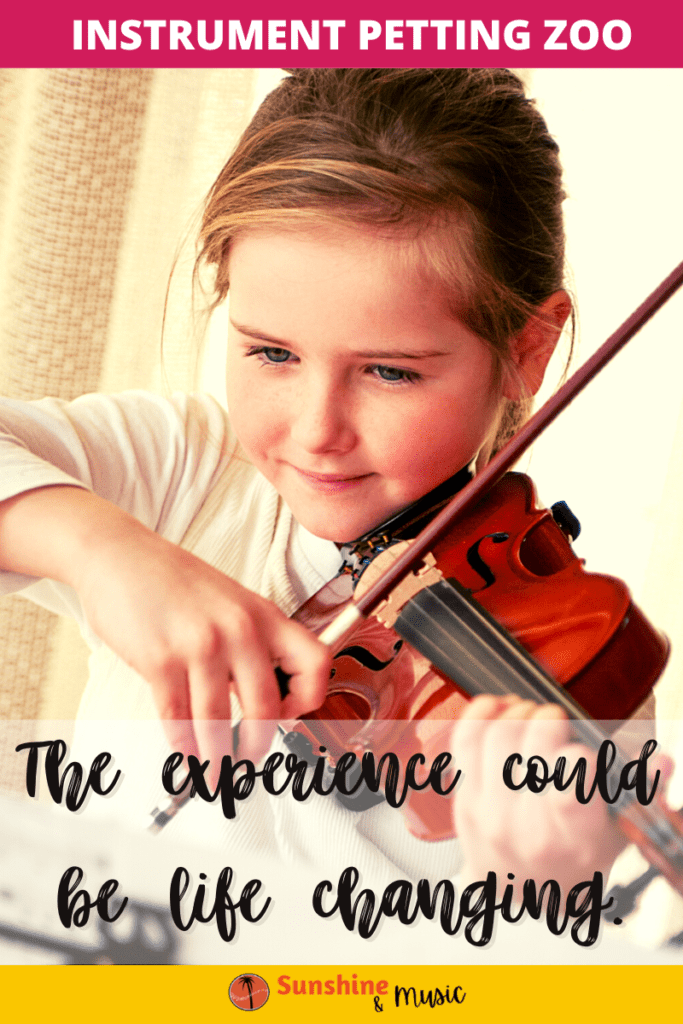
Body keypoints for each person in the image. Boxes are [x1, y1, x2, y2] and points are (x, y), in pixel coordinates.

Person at [0, 69, 630, 892]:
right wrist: (107, 553)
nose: (315, 431)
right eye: (271, 353)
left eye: (389, 372)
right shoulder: (185, 472)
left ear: (526, 352)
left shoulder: (562, 655)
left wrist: (539, 885)